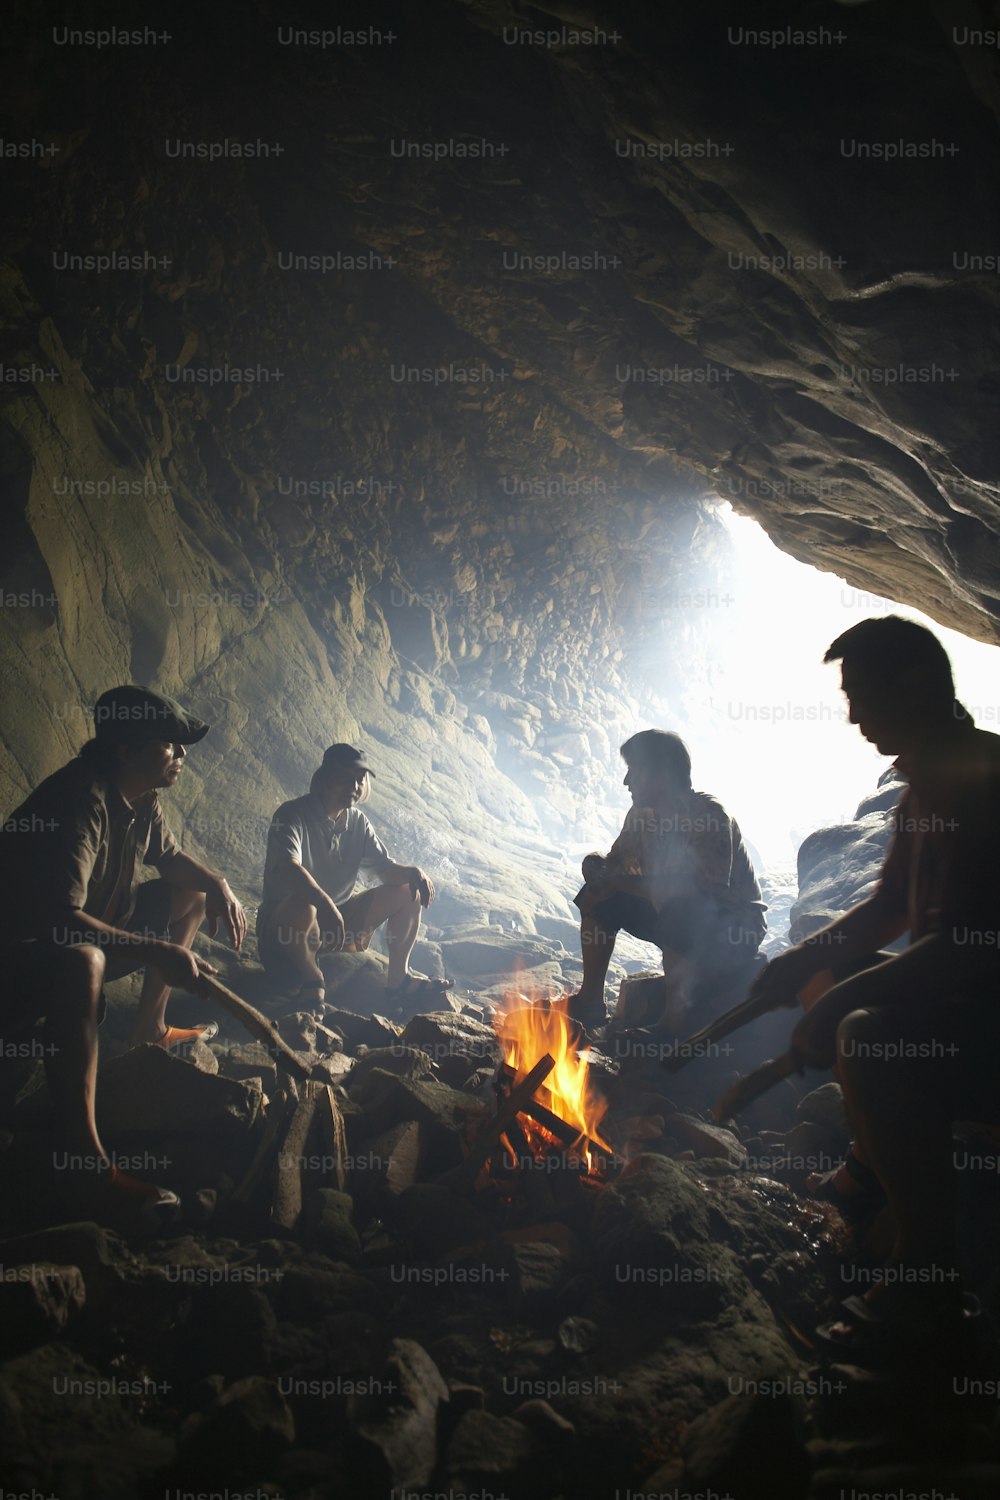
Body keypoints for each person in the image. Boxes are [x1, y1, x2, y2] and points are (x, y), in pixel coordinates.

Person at [747, 615, 1000, 1353]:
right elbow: (892, 905)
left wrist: (834, 1002)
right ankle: (868, 1169)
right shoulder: (931, 775)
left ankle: (929, 1279)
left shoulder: (979, 781)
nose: (853, 715)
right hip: (970, 999)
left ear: (915, 685)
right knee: (844, 979)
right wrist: (806, 964)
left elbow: (972, 948)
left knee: (866, 1031)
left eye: (861, 695)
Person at [0, 685, 248, 1214]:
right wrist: (158, 951)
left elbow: (171, 857)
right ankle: (83, 1162)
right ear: (125, 751)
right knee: (83, 957)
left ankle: (149, 1031)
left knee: (191, 891)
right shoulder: (79, 800)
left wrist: (218, 882)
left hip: (82, 938)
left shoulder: (140, 799)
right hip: (22, 960)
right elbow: (61, 922)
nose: (181, 755)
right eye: (169, 745)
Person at [568, 729, 766, 1031]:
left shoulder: (709, 816)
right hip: (675, 914)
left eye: (635, 770)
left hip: (733, 929)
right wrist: (598, 867)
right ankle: (590, 1002)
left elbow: (698, 890)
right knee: (599, 895)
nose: (626, 781)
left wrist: (618, 881)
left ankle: (673, 1025)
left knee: (681, 908)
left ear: (661, 773)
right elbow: (618, 864)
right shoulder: (641, 816)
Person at [257, 743, 448, 1008]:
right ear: (324, 778)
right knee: (304, 903)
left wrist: (414, 873)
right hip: (284, 931)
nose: (354, 786)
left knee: (409, 890)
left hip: (333, 925)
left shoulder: (357, 823)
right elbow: (290, 869)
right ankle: (313, 980)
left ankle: (398, 981)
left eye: (359, 780)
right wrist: (324, 904)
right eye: (346, 778)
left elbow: (385, 870)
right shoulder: (292, 815)